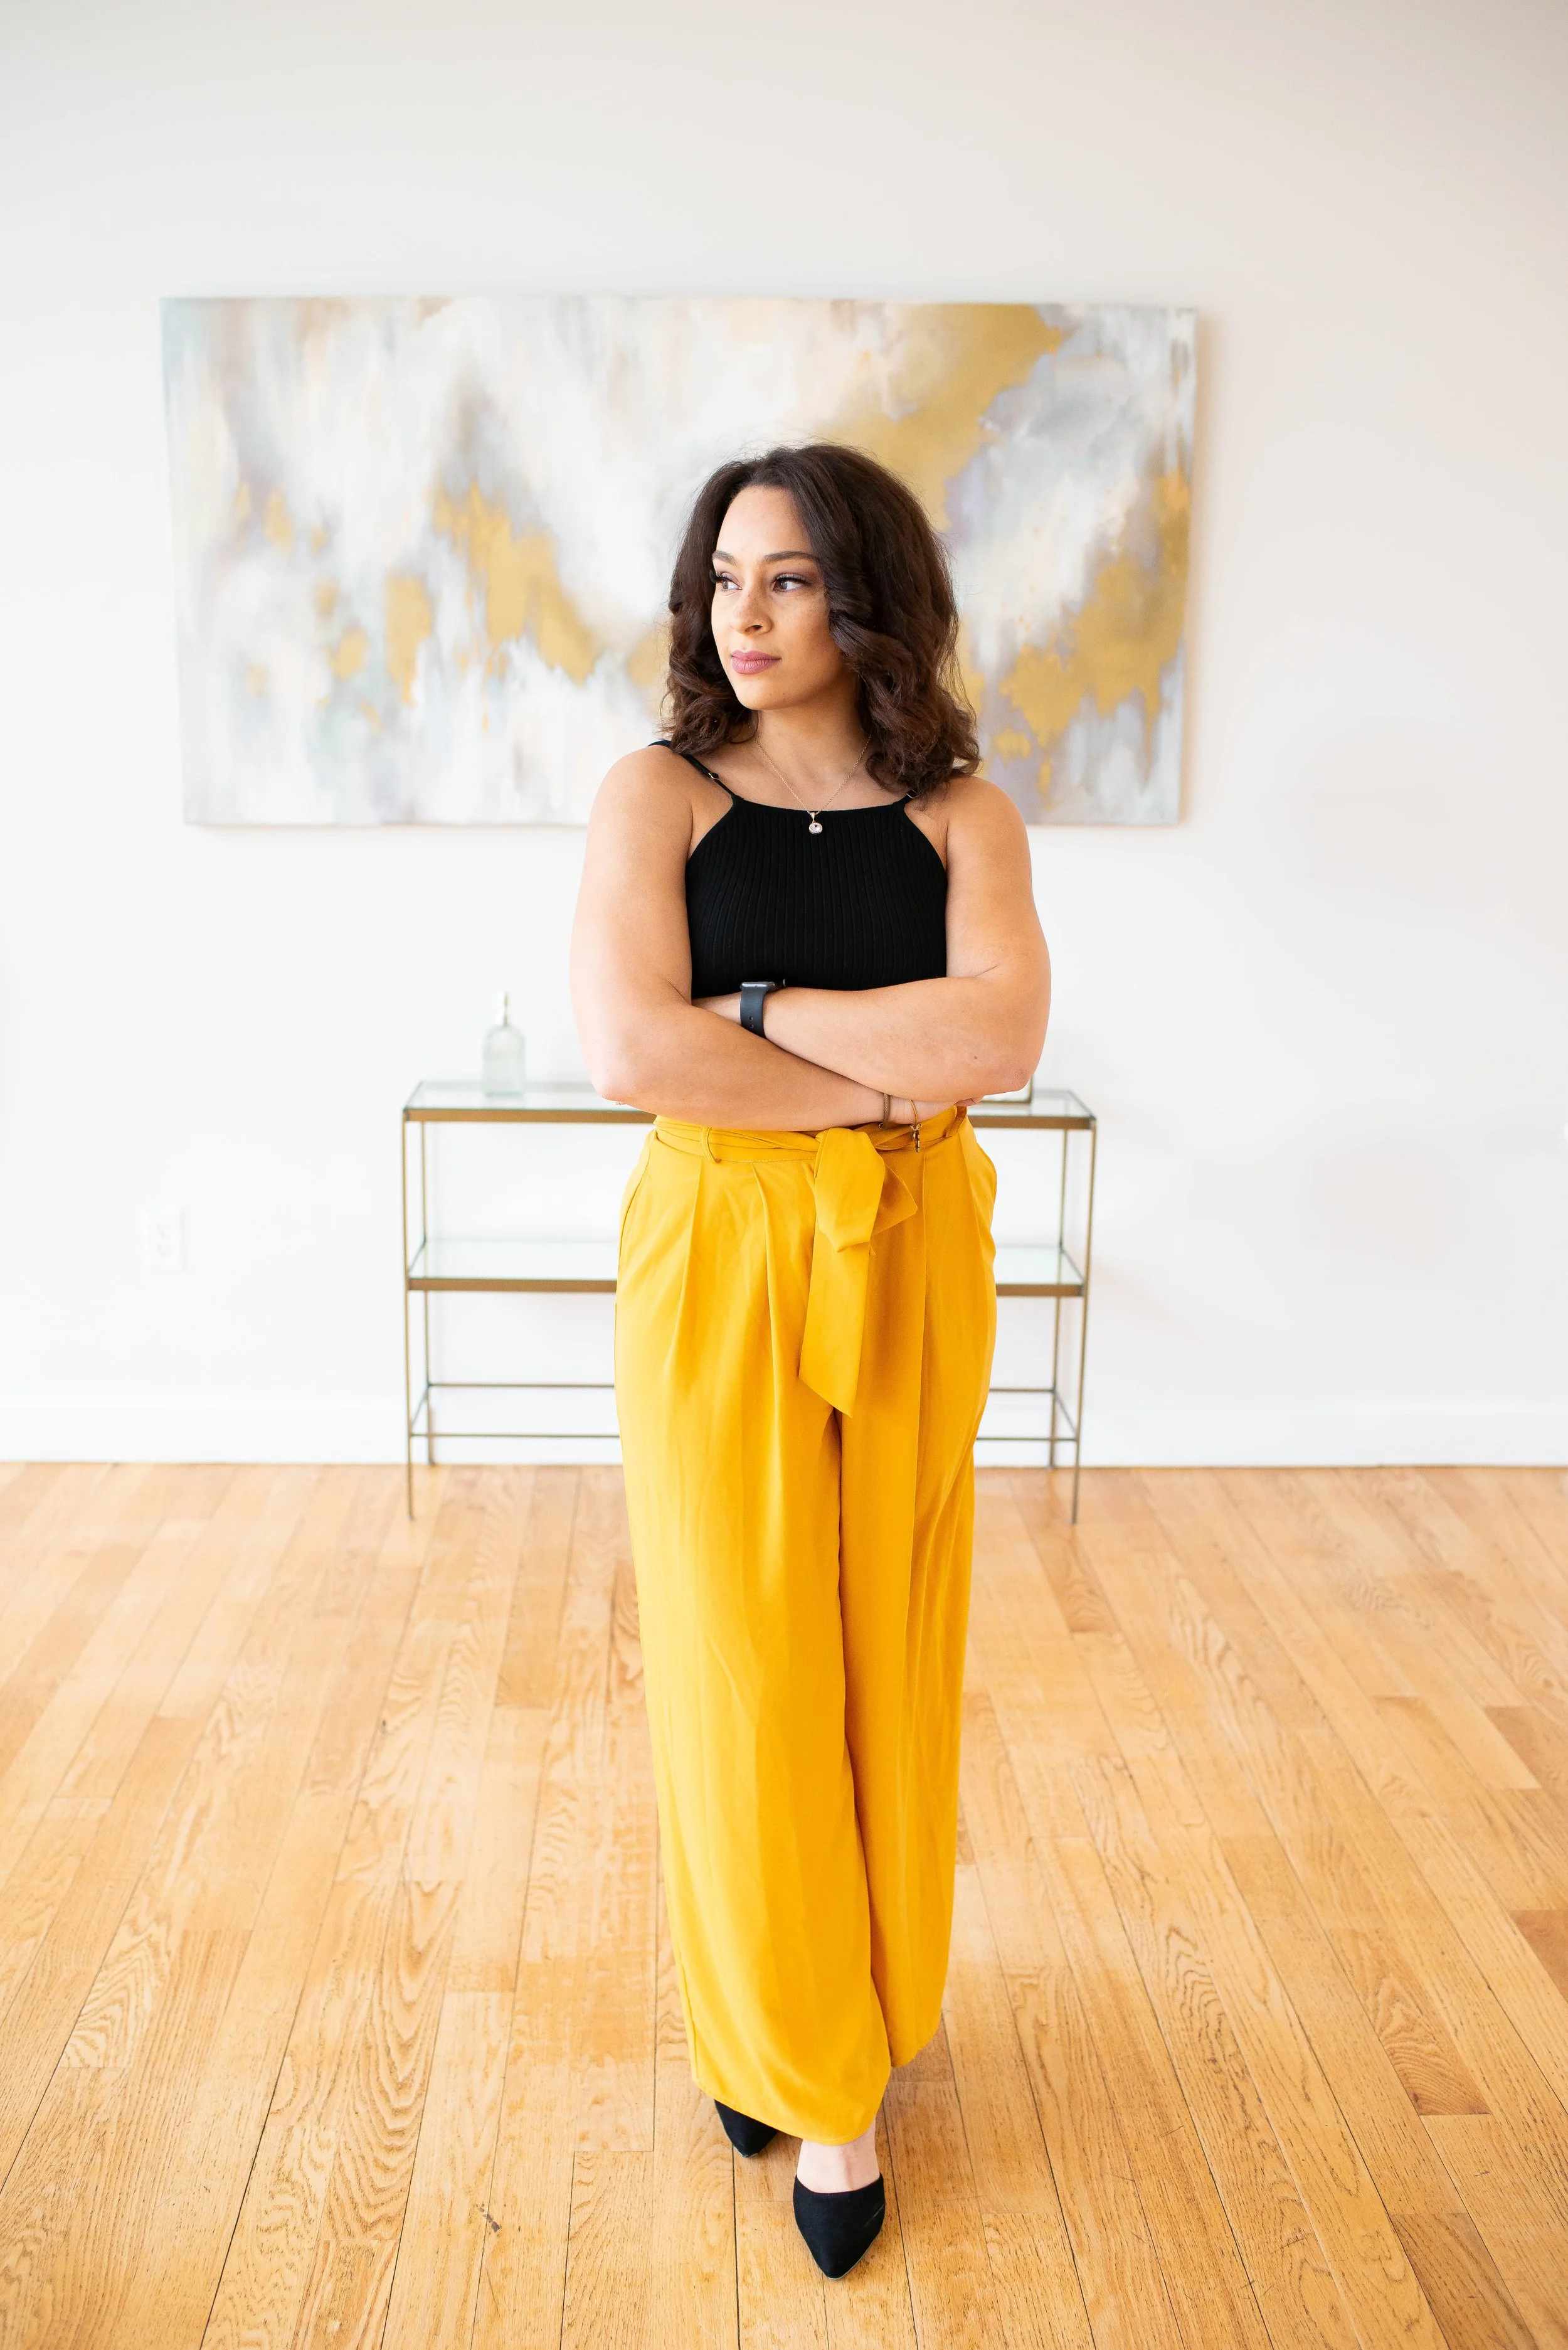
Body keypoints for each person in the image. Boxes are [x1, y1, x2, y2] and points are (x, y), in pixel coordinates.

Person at [570, 442, 1051, 2278]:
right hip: (722, 1252)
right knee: (742, 1648)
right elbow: (633, 1049)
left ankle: (839, 2016)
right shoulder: (659, 796)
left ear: (860, 594)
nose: (742, 616)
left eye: (782, 578)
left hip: (918, 1244)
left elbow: (998, 1030)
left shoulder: (960, 813)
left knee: (889, 1642)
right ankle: (805, 2070)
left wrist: (761, 1015)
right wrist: (869, 1079)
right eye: (720, 580)